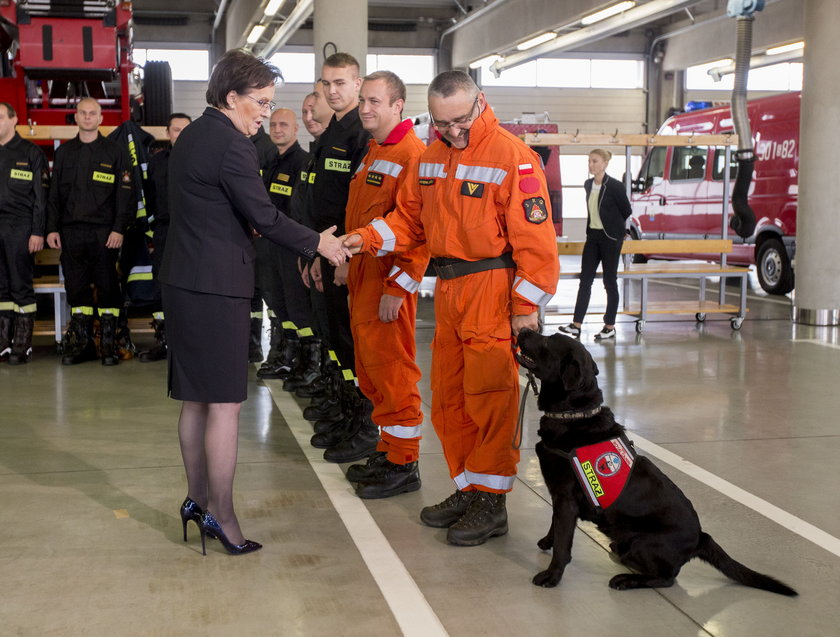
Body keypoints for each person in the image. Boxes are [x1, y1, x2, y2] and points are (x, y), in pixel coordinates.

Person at [343, 70, 559, 546]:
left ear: (481, 102)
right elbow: (409, 222)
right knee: (450, 398)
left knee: (490, 397)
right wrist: (364, 239)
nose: (453, 132)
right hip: (449, 292)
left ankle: (492, 499)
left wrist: (525, 307)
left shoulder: (512, 157)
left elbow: (538, 243)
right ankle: (467, 486)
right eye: (442, 124)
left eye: (460, 120)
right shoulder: (434, 156)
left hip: (491, 289)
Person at [158, 49, 348, 555]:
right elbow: (264, 215)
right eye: (260, 102)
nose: (266, 112)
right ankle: (222, 514)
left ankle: (197, 501)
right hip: (216, 285)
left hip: (184, 280)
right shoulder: (232, 146)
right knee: (224, 404)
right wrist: (321, 244)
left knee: (196, 399)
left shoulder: (194, 135)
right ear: (231, 97)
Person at [336, 71, 429, 498]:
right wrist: (345, 261)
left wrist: (400, 286)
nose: (366, 109)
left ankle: (404, 463)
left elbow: (418, 228)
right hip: (363, 274)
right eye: (363, 102)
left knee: (393, 372)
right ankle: (389, 449)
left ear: (398, 105)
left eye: (375, 101)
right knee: (372, 371)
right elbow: (363, 217)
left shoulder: (412, 154)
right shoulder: (375, 150)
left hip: (386, 281)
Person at [301, 53, 374, 464]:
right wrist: (314, 251)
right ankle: (348, 413)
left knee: (351, 341)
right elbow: (320, 203)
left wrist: (345, 256)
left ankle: (364, 422)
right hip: (325, 251)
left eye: (341, 83)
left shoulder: (360, 136)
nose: (333, 90)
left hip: (346, 254)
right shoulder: (330, 134)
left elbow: (359, 207)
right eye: (327, 83)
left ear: (357, 83)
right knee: (335, 336)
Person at [46, 97, 134, 366]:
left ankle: (108, 346)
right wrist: (51, 228)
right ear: (76, 117)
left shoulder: (115, 152)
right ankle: (83, 345)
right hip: (71, 232)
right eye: (82, 113)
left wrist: (119, 228)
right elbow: (53, 197)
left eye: (92, 113)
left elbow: (125, 195)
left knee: (108, 288)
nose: (87, 117)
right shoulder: (64, 153)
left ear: (100, 118)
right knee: (76, 289)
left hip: (104, 233)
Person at [256, 107, 312, 379]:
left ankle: (302, 362)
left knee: (296, 305)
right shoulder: (270, 162)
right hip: (268, 246)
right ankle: (283, 354)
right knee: (276, 302)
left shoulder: (302, 162)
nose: (277, 129)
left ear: (295, 129)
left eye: (283, 125)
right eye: (273, 124)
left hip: (290, 247)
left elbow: (299, 210)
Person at [558, 149, 631, 341]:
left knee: (610, 281)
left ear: (605, 163)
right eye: (589, 161)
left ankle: (609, 326)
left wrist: (615, 232)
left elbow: (626, 210)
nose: (591, 165)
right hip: (593, 238)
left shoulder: (615, 186)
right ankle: (576, 324)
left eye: (595, 161)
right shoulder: (588, 184)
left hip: (610, 239)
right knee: (585, 281)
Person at [137, 112, 192, 363]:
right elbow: (148, 198)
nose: (180, 134)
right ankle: (164, 341)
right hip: (164, 231)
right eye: (176, 129)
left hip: (193, 232)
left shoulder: (201, 160)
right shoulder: (157, 162)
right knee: (162, 285)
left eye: (185, 130)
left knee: (192, 287)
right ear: (167, 133)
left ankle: (191, 344)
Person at [0, 102, 49, 364]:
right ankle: (3, 342)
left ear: (13, 120)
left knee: (20, 286)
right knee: (1, 288)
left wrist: (37, 231)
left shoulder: (30, 153)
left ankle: (23, 344)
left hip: (20, 226)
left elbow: (42, 197)